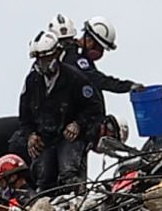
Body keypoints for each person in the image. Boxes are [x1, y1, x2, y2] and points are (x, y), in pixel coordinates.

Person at [17, 30, 104, 193]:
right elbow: (24, 116)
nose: (42, 63)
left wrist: (78, 124)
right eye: (39, 59)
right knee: (44, 178)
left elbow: (94, 108)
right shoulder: (32, 81)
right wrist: (30, 135)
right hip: (45, 138)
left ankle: (76, 200)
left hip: (69, 137)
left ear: (56, 54)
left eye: (46, 58)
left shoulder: (75, 78)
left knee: (69, 173)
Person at [66, 16, 144, 94]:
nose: (99, 52)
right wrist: (128, 86)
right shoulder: (73, 56)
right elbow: (99, 80)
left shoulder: (78, 55)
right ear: (89, 39)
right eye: (99, 47)